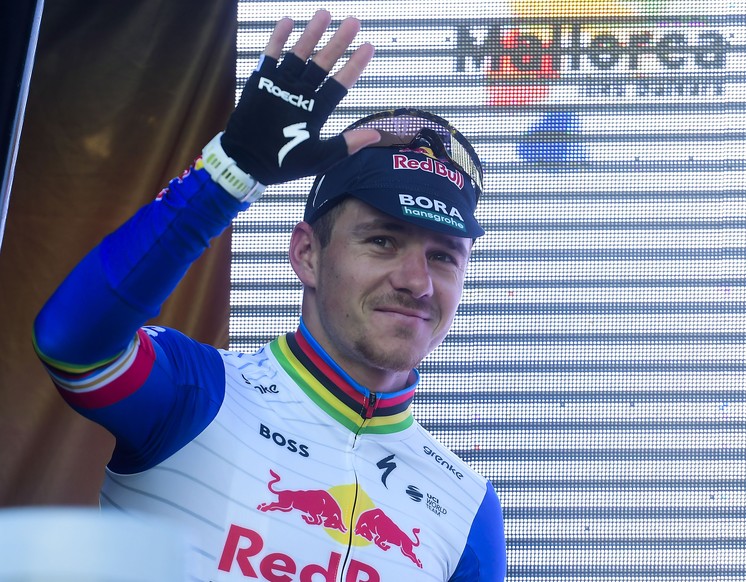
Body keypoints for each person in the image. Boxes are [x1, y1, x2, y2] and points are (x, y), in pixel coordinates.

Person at [32, 11, 506, 582]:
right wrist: (229, 173)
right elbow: (70, 342)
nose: (416, 281)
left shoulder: (468, 509)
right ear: (306, 254)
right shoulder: (196, 392)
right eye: (382, 241)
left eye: (442, 256)